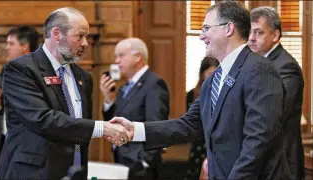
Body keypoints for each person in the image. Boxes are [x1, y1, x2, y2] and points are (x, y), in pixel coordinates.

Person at [109, 1, 291, 180]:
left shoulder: (259, 70)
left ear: (228, 29)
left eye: (206, 28)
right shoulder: (212, 80)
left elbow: (259, 141)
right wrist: (136, 129)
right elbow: (189, 124)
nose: (201, 36)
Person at [0, 7, 128, 180]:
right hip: (33, 173)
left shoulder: (84, 77)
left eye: (86, 37)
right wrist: (102, 128)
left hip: (75, 172)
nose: (86, 43)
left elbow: (78, 125)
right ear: (57, 34)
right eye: (80, 36)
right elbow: (43, 119)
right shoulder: (20, 69)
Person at [100, 37, 170, 180]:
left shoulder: (154, 84)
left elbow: (156, 127)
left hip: (141, 168)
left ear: (137, 57)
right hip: (122, 161)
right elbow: (113, 123)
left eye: (121, 55)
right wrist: (109, 99)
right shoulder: (125, 87)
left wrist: (145, 162)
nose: (117, 60)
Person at [248, 6, 305, 180]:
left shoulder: (286, 67)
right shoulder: (258, 63)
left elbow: (276, 113)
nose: (251, 39)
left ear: (275, 35)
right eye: (250, 33)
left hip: (282, 165)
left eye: (258, 33)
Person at [0, 25, 39, 180]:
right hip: (3, 139)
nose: (6, 48)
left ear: (25, 46)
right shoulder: (6, 70)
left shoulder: (39, 73)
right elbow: (1, 108)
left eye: (11, 44)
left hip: (28, 145)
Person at [185, 57, 218, 180]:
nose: (213, 76)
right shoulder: (193, 94)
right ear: (203, 73)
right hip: (199, 139)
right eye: (210, 73)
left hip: (215, 140)